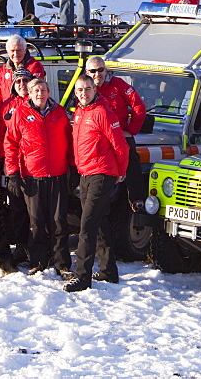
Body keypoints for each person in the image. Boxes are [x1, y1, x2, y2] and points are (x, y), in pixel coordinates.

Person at [65, 75, 128, 292]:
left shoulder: (103, 113)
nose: (84, 93)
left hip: (102, 172)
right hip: (86, 173)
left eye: (88, 89)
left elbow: (120, 145)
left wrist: (120, 171)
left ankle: (82, 276)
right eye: (80, 90)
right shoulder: (80, 113)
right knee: (99, 223)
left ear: (95, 90)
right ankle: (108, 270)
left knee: (87, 225)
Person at [4, 78, 73, 276]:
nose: (40, 94)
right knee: (36, 222)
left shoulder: (59, 113)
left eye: (43, 90)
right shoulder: (20, 114)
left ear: (48, 92)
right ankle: (38, 261)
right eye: (36, 90)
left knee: (59, 221)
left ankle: (62, 263)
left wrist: (73, 168)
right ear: (29, 92)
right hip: (32, 176)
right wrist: (13, 173)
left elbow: (69, 141)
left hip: (58, 174)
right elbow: (10, 144)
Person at [85, 56, 147, 211]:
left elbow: (138, 106)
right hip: (97, 139)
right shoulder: (85, 88)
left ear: (106, 70)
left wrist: (131, 130)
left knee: (131, 161)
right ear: (87, 72)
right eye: (93, 71)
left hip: (119, 135)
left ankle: (137, 200)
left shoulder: (118, 84)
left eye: (100, 70)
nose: (97, 74)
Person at [0, 67, 36, 262]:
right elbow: (0, 136)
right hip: (13, 164)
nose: (22, 85)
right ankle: (20, 246)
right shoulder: (6, 107)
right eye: (18, 82)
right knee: (17, 207)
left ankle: (37, 245)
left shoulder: (38, 103)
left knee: (36, 208)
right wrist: (5, 160)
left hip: (35, 164)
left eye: (25, 81)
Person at [0, 34, 46, 106]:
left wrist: (20, 110)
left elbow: (35, 93)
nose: (16, 54)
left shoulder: (34, 67)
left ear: (25, 50)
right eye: (12, 51)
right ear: (8, 52)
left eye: (19, 50)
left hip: (26, 111)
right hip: (6, 113)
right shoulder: (1, 72)